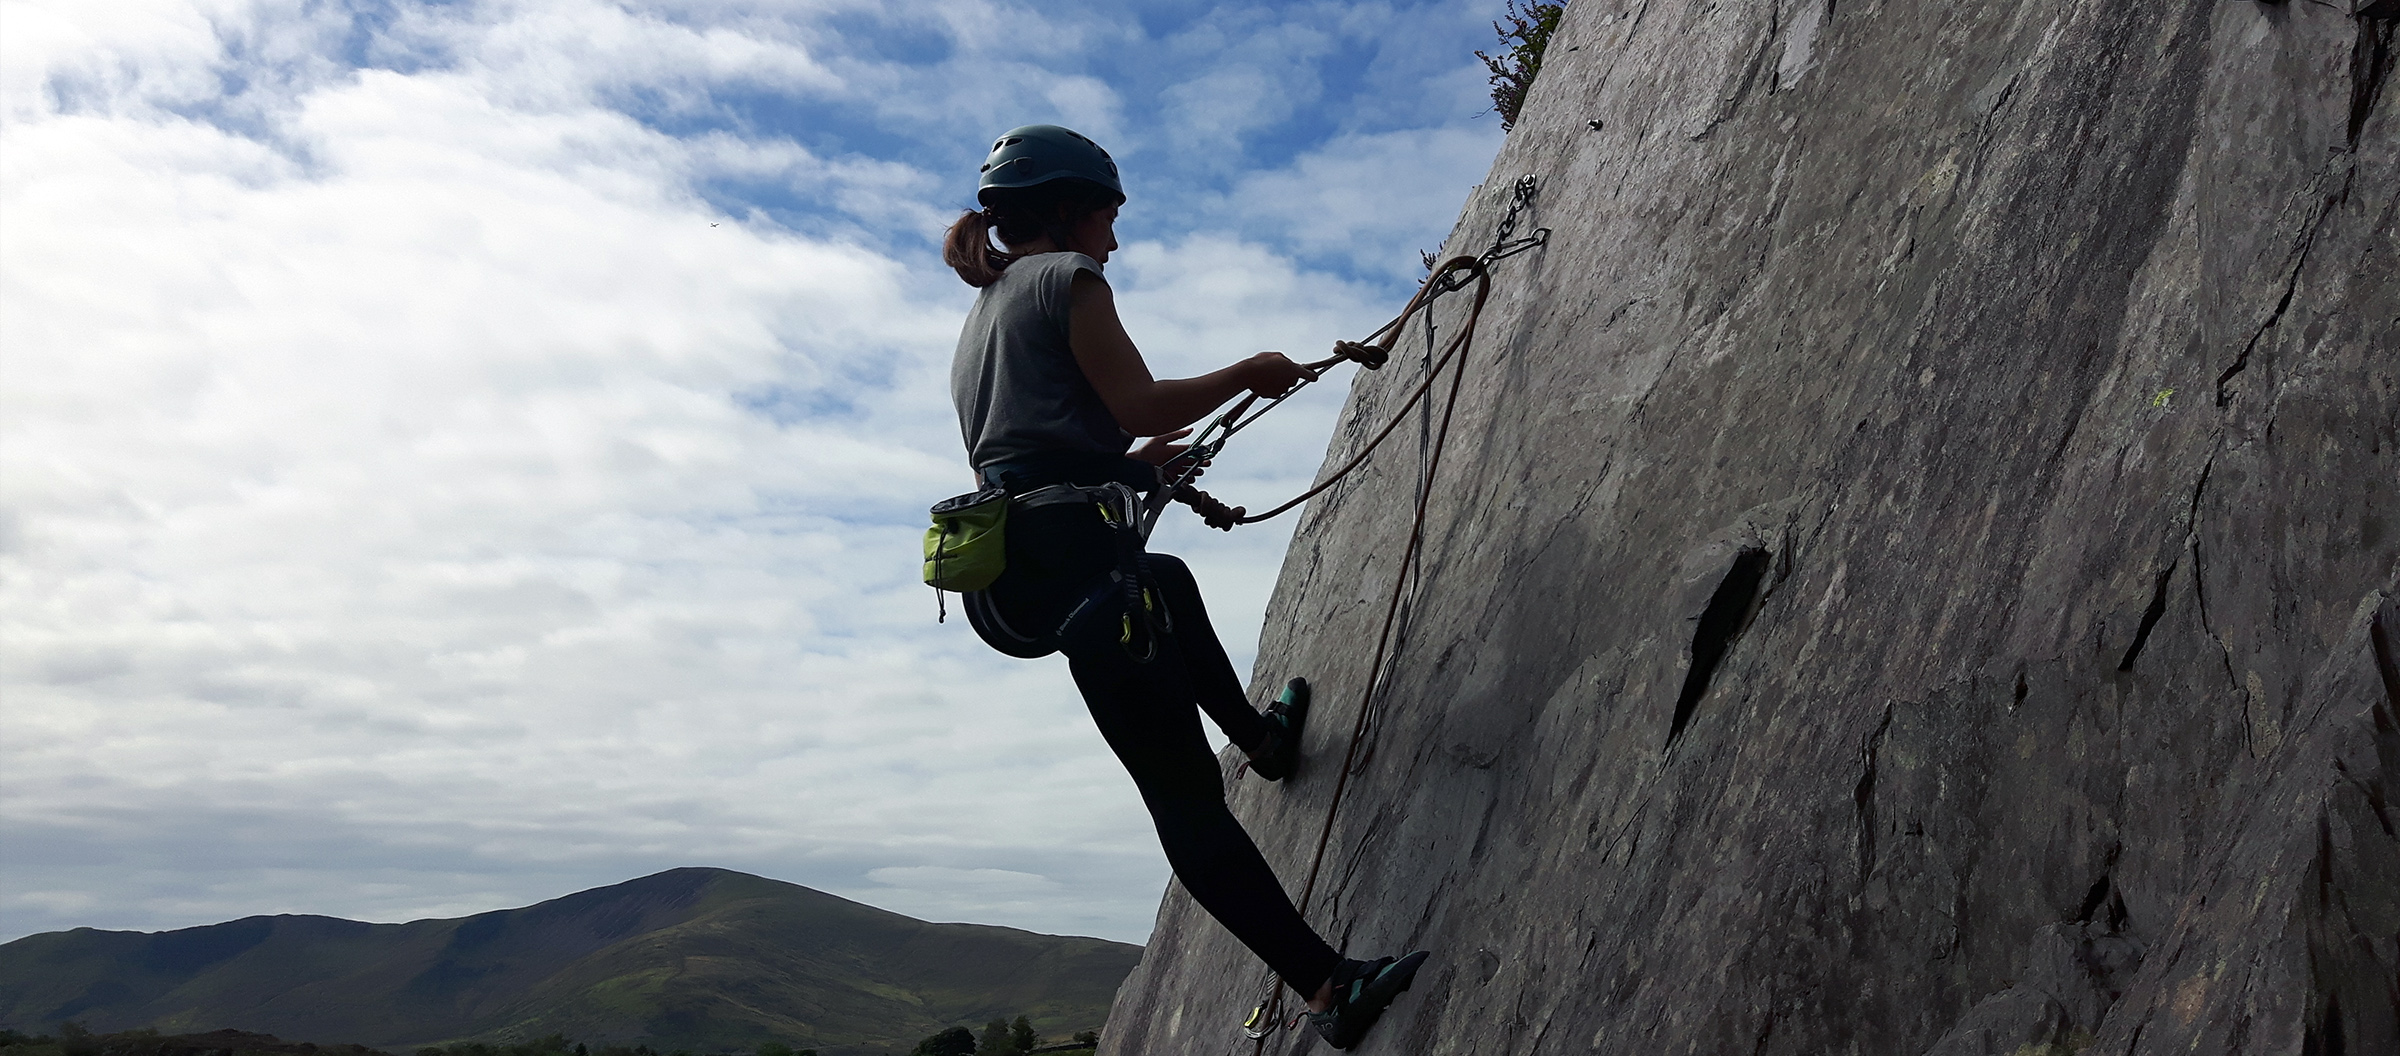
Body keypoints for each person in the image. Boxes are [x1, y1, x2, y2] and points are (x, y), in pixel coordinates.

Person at [939, 124, 1427, 1050]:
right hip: (1074, 560)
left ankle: (1261, 739)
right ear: (1065, 210)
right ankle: (1328, 988)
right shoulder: (1067, 281)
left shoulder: (984, 316)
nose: (1114, 241)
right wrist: (1250, 371)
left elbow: (1028, 449)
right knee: (1186, 795)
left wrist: (1130, 472)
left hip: (1026, 570)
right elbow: (1138, 405)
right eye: (1107, 218)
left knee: (1164, 575)